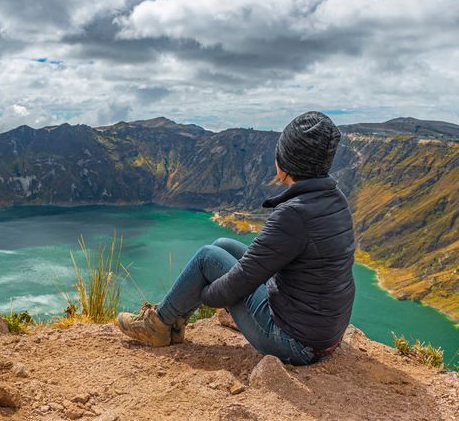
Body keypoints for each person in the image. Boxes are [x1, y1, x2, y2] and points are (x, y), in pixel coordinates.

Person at [117, 111, 356, 365]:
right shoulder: (333, 198)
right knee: (222, 245)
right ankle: (173, 324)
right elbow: (262, 265)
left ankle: (157, 326)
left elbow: (238, 282)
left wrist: (206, 292)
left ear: (285, 160)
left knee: (207, 258)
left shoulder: (293, 214)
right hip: (324, 334)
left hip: (295, 343)